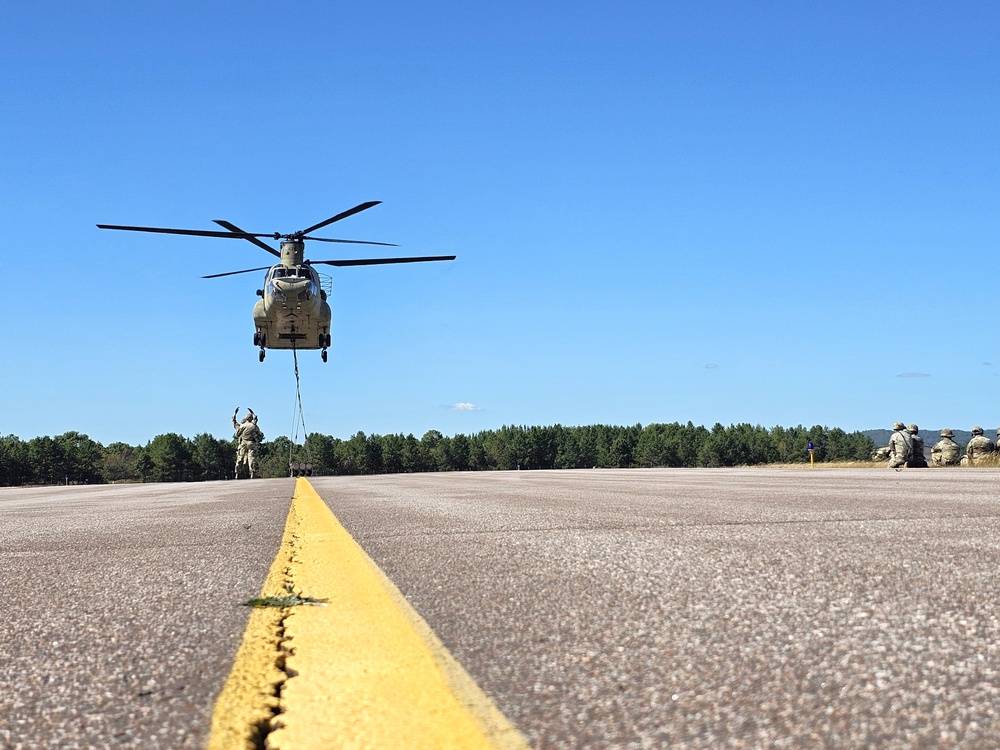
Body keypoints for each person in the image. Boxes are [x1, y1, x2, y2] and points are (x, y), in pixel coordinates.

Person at [233, 407, 264, 479]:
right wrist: (253, 413)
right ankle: (252, 472)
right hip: (251, 442)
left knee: (240, 458)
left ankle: (237, 473)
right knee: (251, 458)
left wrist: (235, 413)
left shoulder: (242, 426)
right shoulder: (254, 426)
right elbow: (259, 432)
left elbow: (237, 434)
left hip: (243, 443)